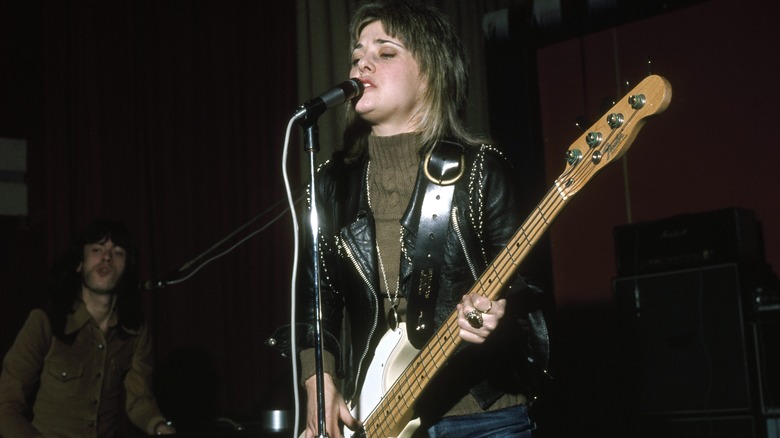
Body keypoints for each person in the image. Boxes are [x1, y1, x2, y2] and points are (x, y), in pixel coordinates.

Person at [268, 1, 550, 437]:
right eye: (357, 54)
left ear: (431, 73)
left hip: (481, 414)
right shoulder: (329, 185)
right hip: (380, 411)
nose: (362, 61)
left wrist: (499, 314)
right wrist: (317, 380)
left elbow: (528, 286)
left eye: (385, 52)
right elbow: (316, 299)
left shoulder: (480, 169)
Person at [0, 219, 176, 437]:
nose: (106, 257)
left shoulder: (135, 330)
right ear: (79, 264)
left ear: (126, 267)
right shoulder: (44, 322)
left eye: (117, 252)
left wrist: (160, 427)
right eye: (96, 249)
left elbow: (139, 400)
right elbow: (6, 406)